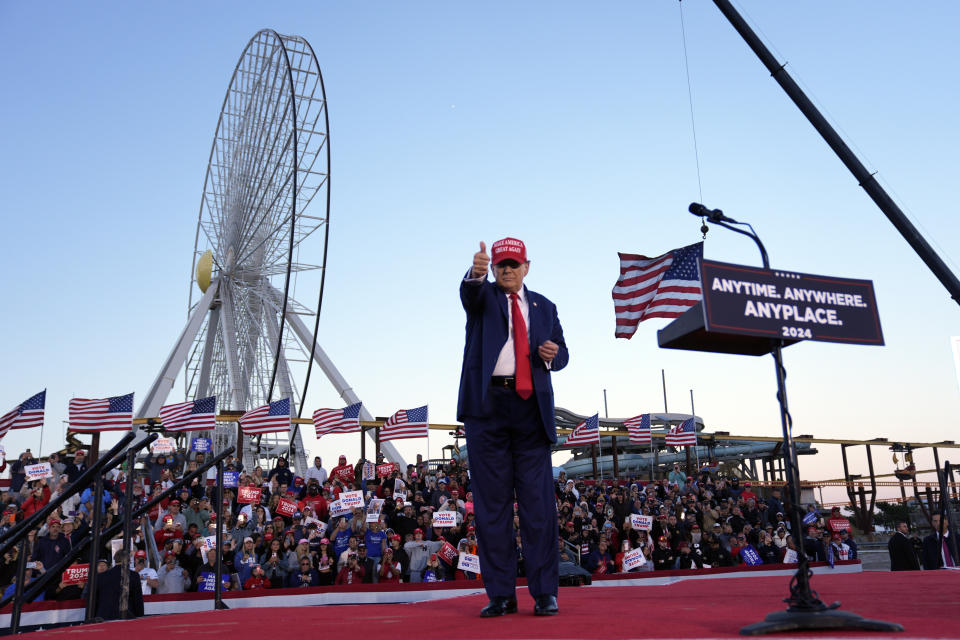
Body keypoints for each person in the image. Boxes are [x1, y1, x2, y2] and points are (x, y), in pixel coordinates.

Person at [457, 237, 568, 618]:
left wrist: (554, 354)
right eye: (500, 264)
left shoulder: (545, 307)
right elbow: (469, 295)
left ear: (526, 267)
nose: (505, 269)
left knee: (539, 508)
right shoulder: (484, 297)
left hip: (530, 411)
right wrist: (475, 275)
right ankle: (501, 594)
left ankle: (545, 594)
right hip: (487, 409)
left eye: (512, 264)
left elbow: (563, 352)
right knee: (492, 508)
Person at [92, 550, 144, 620]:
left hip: (104, 617)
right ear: (129, 561)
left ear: (115, 560)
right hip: (126, 617)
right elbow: (138, 600)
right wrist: (140, 617)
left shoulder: (101, 577)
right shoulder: (133, 576)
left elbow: (94, 600)